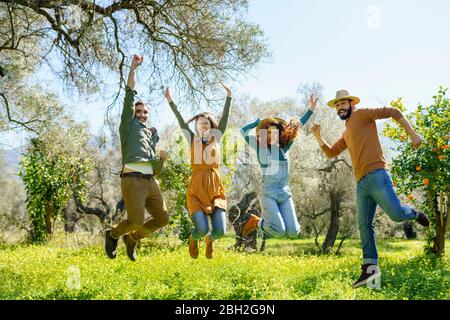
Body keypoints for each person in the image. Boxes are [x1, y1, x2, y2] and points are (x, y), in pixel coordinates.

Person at [310, 89, 430, 288]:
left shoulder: (362, 114)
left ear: (351, 104)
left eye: (343, 103)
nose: (340, 107)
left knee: (398, 214)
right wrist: (317, 135)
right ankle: (370, 268)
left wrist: (413, 134)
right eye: (337, 105)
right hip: (361, 184)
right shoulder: (346, 131)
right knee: (364, 225)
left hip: (377, 174)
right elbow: (331, 153)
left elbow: (393, 111)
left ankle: (414, 213)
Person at [104, 55, 169, 261]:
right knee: (136, 220)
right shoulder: (128, 125)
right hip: (132, 180)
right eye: (139, 111)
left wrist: (161, 160)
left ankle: (132, 239)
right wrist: (133, 68)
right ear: (133, 113)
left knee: (162, 219)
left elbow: (154, 169)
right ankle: (113, 234)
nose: (142, 114)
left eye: (145, 112)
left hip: (150, 181)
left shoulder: (149, 134)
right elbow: (129, 93)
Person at [164, 83, 232, 259]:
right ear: (196, 126)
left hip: (215, 189)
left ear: (211, 125)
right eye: (199, 123)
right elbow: (180, 120)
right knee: (200, 229)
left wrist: (229, 96)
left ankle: (211, 240)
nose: (202, 125)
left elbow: (225, 117)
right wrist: (171, 101)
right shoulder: (191, 139)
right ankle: (194, 239)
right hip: (196, 190)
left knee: (220, 231)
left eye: (206, 123)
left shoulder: (216, 137)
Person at [239, 95, 318, 239]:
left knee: (294, 233)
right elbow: (243, 131)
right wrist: (255, 123)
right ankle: (255, 222)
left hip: (285, 193)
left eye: (274, 132)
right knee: (279, 231)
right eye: (267, 132)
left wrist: (311, 109)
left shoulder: (285, 147)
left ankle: (261, 223)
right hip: (268, 194)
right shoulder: (260, 147)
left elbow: (298, 124)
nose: (270, 135)